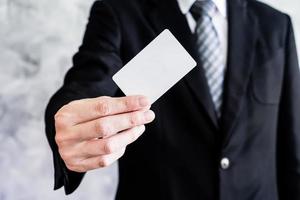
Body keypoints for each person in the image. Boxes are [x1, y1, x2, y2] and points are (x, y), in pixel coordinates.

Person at [45, 0, 300, 199]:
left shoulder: (276, 25)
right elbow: (83, 88)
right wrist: (68, 121)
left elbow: (292, 146)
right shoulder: (119, 13)